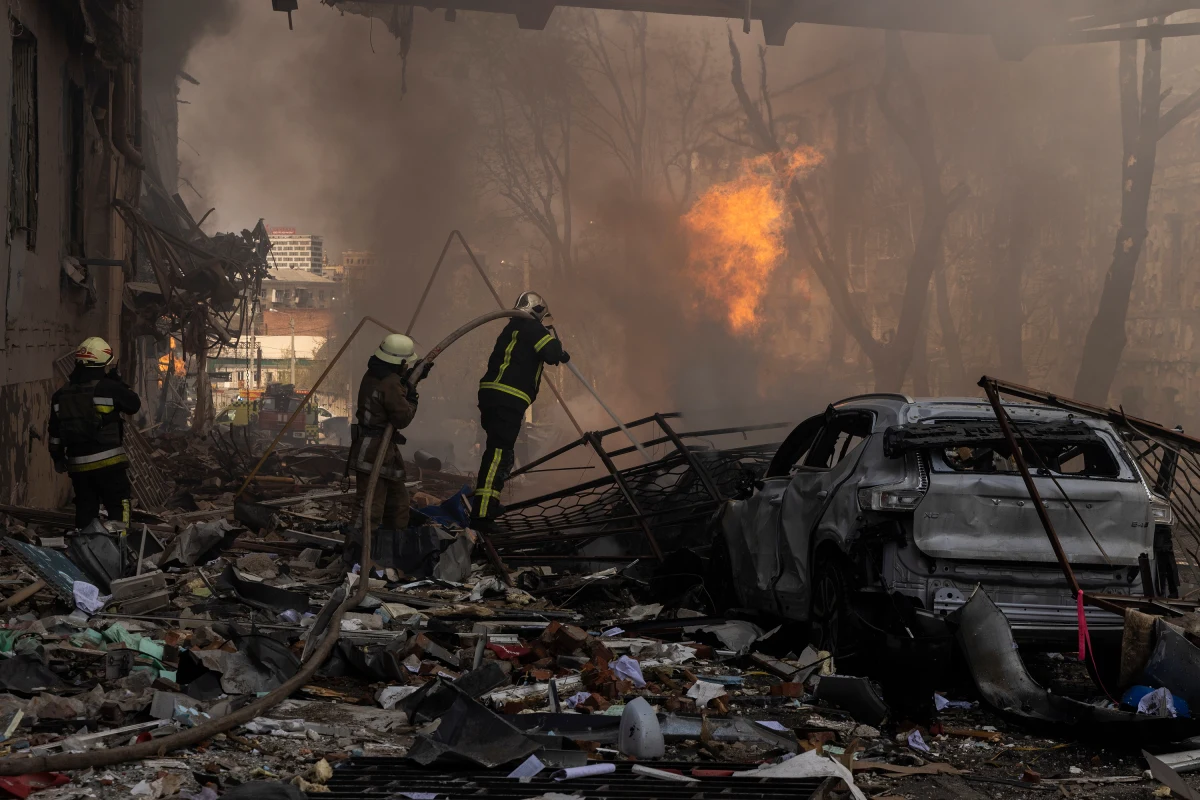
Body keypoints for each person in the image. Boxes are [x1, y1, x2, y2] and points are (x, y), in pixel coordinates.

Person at [473, 292, 569, 524]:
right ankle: (482, 515)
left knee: (500, 452)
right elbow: (552, 353)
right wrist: (561, 350)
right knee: (497, 454)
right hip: (508, 396)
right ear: (537, 311)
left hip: (491, 395)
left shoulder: (511, 329)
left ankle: (489, 505)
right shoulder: (532, 328)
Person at [49, 337, 142, 529]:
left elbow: (55, 432)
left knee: (85, 508)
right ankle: (118, 549)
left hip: (78, 467)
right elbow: (134, 404)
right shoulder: (109, 388)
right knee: (119, 505)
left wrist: (58, 458)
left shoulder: (60, 395)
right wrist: (118, 382)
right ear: (103, 364)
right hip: (108, 464)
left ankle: (85, 550)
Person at [350, 334, 429, 540]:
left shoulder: (374, 374)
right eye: (406, 364)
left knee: (398, 504)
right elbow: (403, 417)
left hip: (383, 450)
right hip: (374, 451)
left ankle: (392, 548)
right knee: (370, 507)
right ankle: (357, 552)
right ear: (401, 362)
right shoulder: (390, 382)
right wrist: (412, 396)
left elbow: (392, 390)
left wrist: (412, 378)